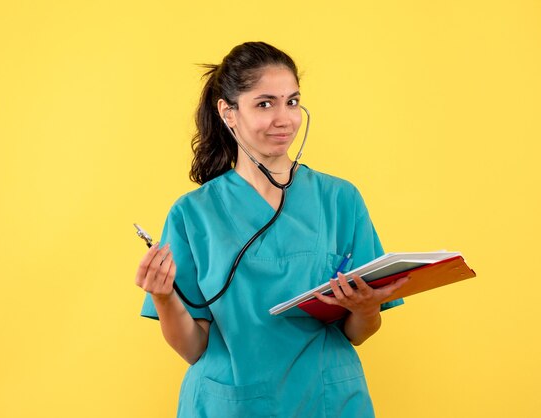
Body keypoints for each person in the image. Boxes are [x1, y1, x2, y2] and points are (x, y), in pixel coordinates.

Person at [135, 41, 408, 418]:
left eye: (292, 102)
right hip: (229, 404)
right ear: (228, 113)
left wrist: (367, 308)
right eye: (265, 104)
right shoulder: (192, 215)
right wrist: (164, 298)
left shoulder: (340, 199)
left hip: (328, 400)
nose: (285, 119)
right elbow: (193, 348)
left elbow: (358, 333)